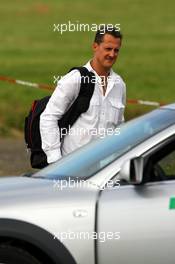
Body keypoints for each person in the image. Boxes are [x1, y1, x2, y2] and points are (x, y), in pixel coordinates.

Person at [40, 26, 126, 164]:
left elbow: (119, 126)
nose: (112, 54)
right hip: (73, 167)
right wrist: (55, 161)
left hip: (105, 169)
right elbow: (48, 117)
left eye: (116, 50)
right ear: (95, 46)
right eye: (108, 49)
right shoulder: (75, 78)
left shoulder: (119, 84)